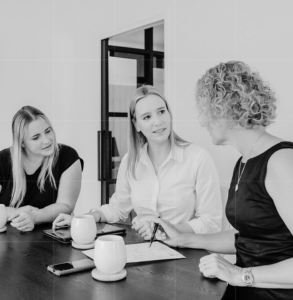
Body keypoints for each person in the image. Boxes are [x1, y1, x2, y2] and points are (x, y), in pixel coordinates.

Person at [153, 61, 293, 299]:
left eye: (204, 111)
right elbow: (249, 238)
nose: (203, 122)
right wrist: (183, 238)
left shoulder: (281, 161)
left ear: (225, 108)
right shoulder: (244, 162)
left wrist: (240, 275)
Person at [53, 85, 222, 238]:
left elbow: (211, 222)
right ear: (136, 124)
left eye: (161, 111)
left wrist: (163, 228)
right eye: (147, 117)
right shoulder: (130, 161)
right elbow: (118, 209)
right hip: (144, 250)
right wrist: (83, 219)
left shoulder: (198, 158)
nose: (158, 122)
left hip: (187, 251)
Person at [0, 106, 83, 232]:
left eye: (48, 131)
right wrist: (16, 212)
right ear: (22, 143)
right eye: (36, 137)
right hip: (6, 241)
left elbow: (66, 205)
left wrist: (34, 216)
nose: (47, 140)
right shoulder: (1, 161)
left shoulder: (68, 157)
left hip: (53, 237)